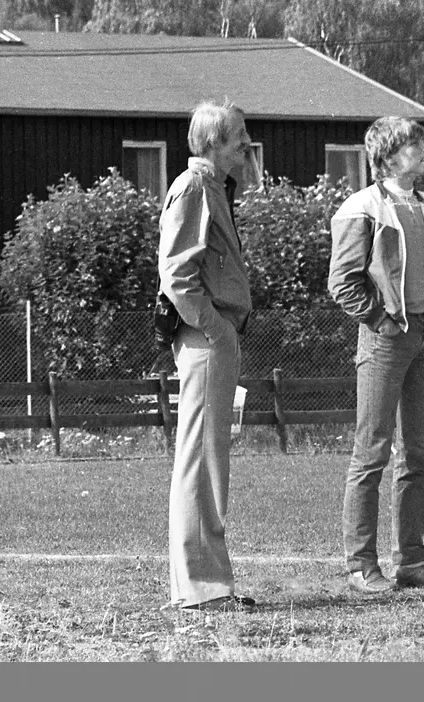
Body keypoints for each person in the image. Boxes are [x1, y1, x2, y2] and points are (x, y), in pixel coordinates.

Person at [327, 116, 424, 594]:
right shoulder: (359, 208)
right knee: (372, 453)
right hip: (385, 340)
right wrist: (381, 320)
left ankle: (412, 561)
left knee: (419, 453)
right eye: (411, 145)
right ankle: (362, 566)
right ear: (387, 157)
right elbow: (342, 281)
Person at [158, 101, 255, 611]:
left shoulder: (214, 187)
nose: (246, 144)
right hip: (205, 338)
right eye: (238, 136)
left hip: (214, 337)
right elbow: (177, 274)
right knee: (200, 461)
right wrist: (217, 330)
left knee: (208, 460)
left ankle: (206, 584)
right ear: (213, 142)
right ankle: (202, 589)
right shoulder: (194, 187)